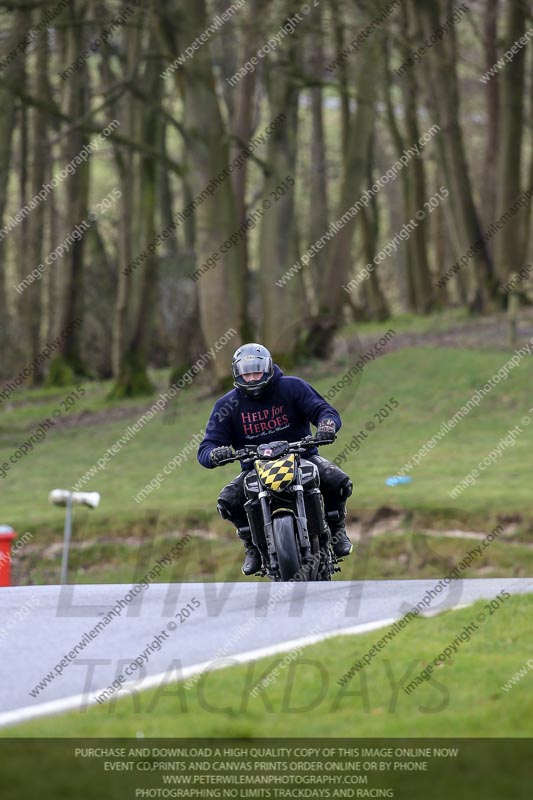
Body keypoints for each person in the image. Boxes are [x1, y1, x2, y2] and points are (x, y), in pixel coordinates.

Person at [197, 343, 353, 575]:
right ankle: (252, 546)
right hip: (254, 467)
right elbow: (206, 448)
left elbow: (324, 411)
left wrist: (327, 426)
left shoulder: (293, 387)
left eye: (256, 372)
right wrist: (215, 454)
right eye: (246, 374)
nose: (252, 379)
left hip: (302, 457)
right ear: (237, 374)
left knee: (339, 482)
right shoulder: (226, 406)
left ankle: (338, 530)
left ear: (268, 369)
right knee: (227, 502)